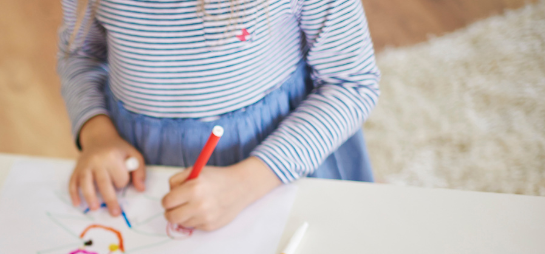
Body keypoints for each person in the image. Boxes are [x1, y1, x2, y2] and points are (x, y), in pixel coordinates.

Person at [58, 0, 380, 231]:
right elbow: (81, 55)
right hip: (151, 172)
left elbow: (352, 83)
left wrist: (247, 183)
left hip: (283, 166)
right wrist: (97, 134)